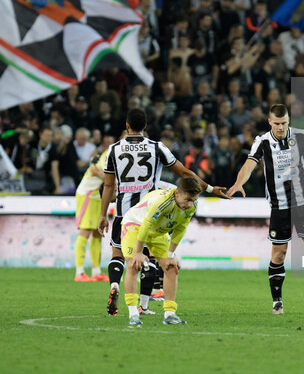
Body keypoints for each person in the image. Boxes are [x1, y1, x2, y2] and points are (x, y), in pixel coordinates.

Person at [98, 108, 228, 316]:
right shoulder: (157, 147)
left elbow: (107, 185)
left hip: (125, 212)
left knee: (119, 255)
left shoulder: (114, 149)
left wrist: (103, 214)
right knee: (147, 257)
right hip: (153, 209)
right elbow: (185, 173)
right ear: (146, 126)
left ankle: (114, 285)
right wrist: (210, 188)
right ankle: (145, 305)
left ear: (127, 125)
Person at [227, 104, 304, 315]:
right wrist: (239, 183)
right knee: (279, 254)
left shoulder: (301, 136)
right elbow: (249, 164)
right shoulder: (262, 142)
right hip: (279, 206)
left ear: (288, 121)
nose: (280, 127)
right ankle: (277, 302)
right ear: (269, 122)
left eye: (284, 123)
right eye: (276, 123)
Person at [121, 178, 201, 325]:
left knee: (171, 267)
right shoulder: (162, 202)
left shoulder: (192, 205)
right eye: (187, 199)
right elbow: (145, 225)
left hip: (157, 231)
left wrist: (170, 255)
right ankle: (133, 314)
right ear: (177, 193)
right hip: (136, 225)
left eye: (193, 200)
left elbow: (180, 228)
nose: (190, 204)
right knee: (134, 264)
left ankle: (170, 314)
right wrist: (138, 252)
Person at [73, 151, 109, 282]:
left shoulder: (102, 164)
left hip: (97, 197)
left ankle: (96, 271)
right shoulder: (99, 164)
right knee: (85, 231)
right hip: (87, 195)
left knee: (97, 233)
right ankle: (79, 272)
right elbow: (105, 177)